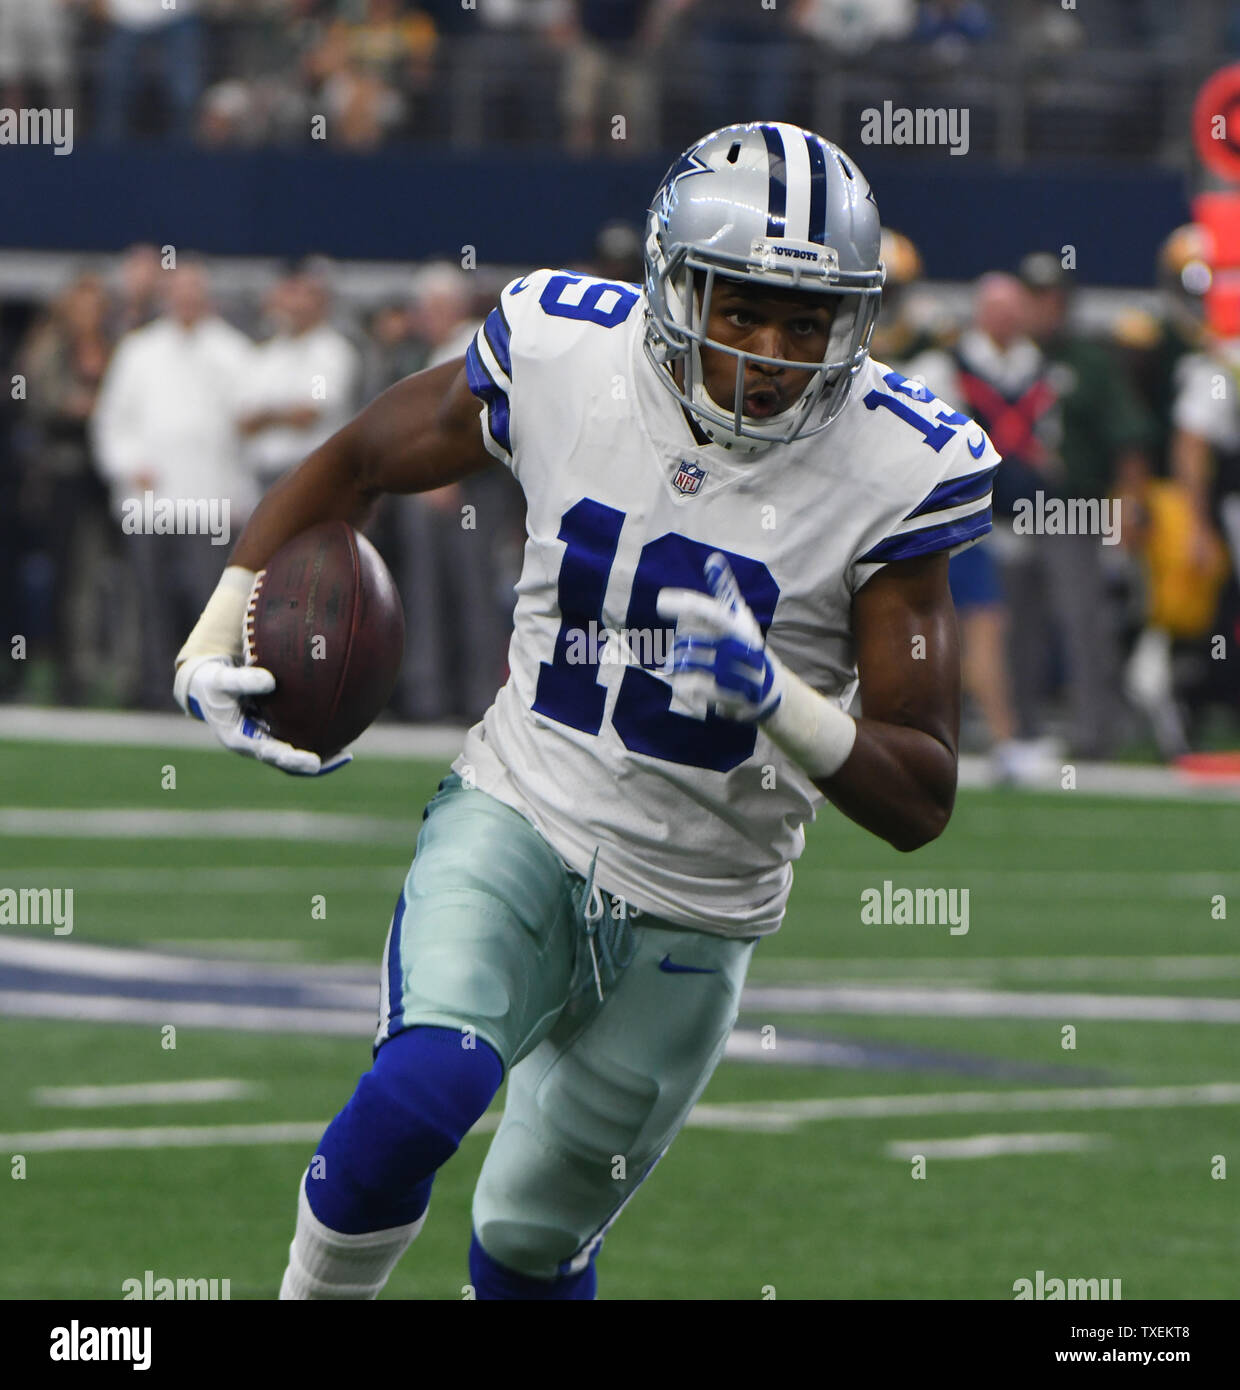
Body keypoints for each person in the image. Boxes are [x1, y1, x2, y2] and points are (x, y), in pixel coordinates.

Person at [172, 122, 998, 1300]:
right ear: (673, 284)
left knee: (528, 1240)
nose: (771, 350)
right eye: (743, 305)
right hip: (525, 809)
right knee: (420, 1092)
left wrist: (779, 702)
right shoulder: (566, 352)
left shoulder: (899, 465)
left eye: (807, 320)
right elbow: (357, 459)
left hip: (698, 908)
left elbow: (921, 794)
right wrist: (225, 611)